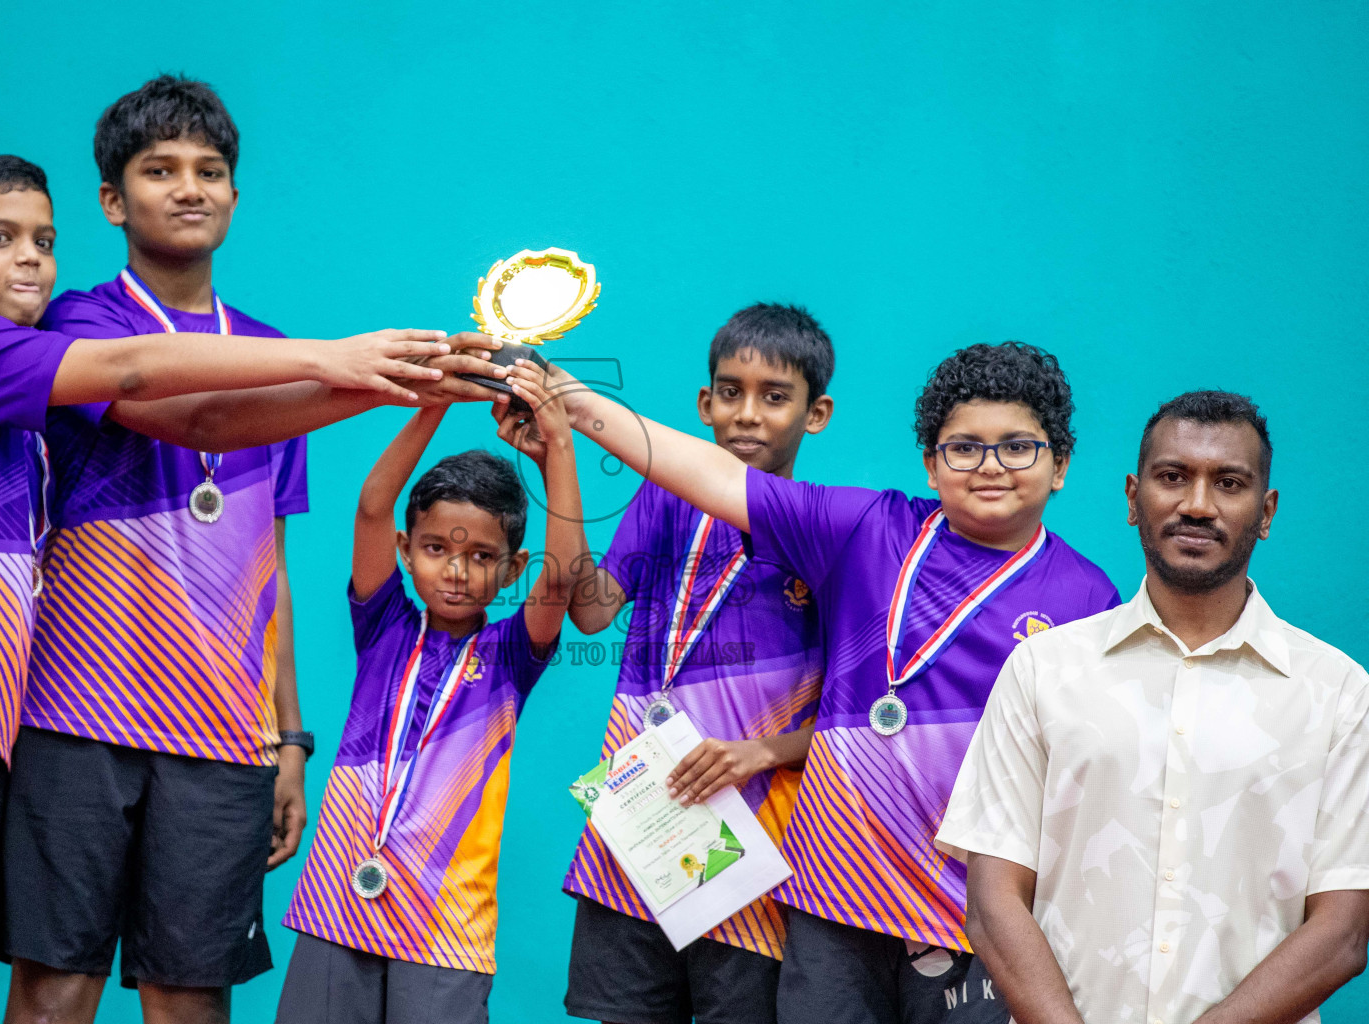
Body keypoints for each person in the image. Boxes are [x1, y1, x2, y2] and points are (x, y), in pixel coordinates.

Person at [0, 155, 454, 1024]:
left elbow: (216, 428)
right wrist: (341, 358)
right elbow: (145, 382)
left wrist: (400, 389)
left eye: (43, 242)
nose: (29, 261)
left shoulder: (30, 416)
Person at [0, 77, 497, 1024]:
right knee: (55, 990)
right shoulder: (80, 327)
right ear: (113, 200)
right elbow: (205, 418)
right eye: (160, 171)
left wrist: (289, 738)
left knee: (192, 998)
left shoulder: (274, 349)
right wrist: (361, 370)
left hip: (220, 734)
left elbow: (269, 564)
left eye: (211, 170)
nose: (190, 188)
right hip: (72, 718)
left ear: (234, 192)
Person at [507, 341, 1120, 1024]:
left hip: (971, 914)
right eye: (964, 448)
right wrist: (565, 397)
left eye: (1018, 447)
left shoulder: (1089, 598)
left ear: (1059, 465)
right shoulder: (867, 529)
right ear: (931, 462)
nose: (990, 466)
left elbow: (1085, 790)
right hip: (832, 899)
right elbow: (701, 469)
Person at [937, 391, 1369, 1024]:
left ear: (1266, 510)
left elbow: (1344, 931)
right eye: (1173, 478)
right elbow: (994, 901)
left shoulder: (1338, 693)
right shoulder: (1043, 670)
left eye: (1228, 482)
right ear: (1134, 498)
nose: (1197, 504)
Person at [552, 304, 832, 1024]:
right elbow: (591, 611)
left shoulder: (831, 537)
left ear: (816, 414)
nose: (748, 415)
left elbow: (852, 721)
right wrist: (556, 457)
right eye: (730, 392)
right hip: (637, 833)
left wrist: (761, 751)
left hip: (755, 853)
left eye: (775, 397)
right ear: (704, 404)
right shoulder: (661, 498)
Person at [276, 393, 584, 1024]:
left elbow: (561, 581)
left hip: (445, 924)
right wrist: (434, 402)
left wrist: (560, 449)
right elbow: (370, 505)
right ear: (405, 548)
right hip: (336, 899)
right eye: (437, 547)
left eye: (480, 557)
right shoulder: (384, 622)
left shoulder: (511, 655)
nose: (456, 571)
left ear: (511, 568)